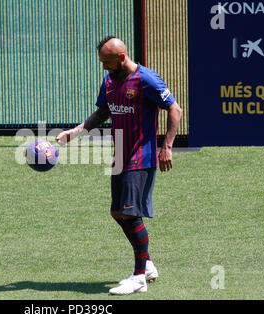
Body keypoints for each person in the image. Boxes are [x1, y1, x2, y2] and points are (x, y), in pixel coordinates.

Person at [56, 36, 182, 295]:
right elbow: (103, 112)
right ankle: (145, 264)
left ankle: (138, 278)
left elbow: (175, 109)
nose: (103, 66)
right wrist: (75, 132)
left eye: (106, 61)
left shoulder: (146, 80)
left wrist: (167, 146)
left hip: (141, 156)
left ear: (121, 58)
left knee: (129, 212)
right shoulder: (110, 81)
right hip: (121, 155)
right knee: (118, 213)